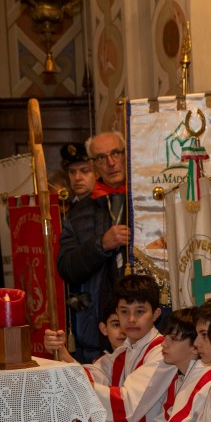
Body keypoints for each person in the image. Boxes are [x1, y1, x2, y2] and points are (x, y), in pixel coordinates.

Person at [56, 131, 132, 362]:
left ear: (126, 154)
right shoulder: (78, 212)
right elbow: (66, 268)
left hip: (145, 321)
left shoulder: (147, 201)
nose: (110, 162)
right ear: (94, 164)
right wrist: (101, 245)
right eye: (101, 157)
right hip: (96, 331)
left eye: (115, 153)